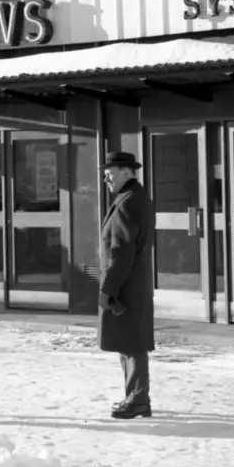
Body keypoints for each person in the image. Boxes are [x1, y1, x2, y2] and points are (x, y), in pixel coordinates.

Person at [98, 150, 155, 420]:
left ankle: (137, 400)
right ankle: (135, 397)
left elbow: (121, 251)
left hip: (126, 286)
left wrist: (108, 289)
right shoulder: (133, 197)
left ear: (126, 172)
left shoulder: (129, 202)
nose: (106, 180)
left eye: (109, 175)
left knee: (132, 345)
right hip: (132, 283)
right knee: (129, 342)